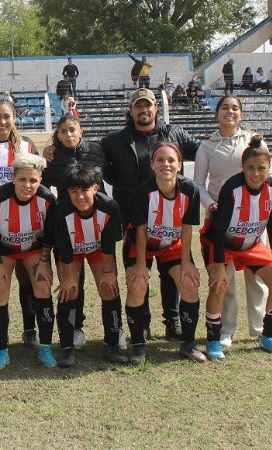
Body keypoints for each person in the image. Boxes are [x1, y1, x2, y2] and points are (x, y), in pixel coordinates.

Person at [98, 88, 200, 340]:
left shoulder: (174, 133)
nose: (143, 110)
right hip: (133, 220)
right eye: (138, 106)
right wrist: (54, 150)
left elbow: (202, 150)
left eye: (148, 105)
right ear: (131, 110)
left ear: (156, 108)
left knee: (171, 273)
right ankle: (141, 323)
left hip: (169, 219)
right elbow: (93, 158)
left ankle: (173, 321)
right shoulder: (115, 140)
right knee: (138, 274)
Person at [202, 135, 272, 360]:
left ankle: (268, 336)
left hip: (251, 245)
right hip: (221, 243)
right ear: (242, 167)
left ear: (269, 167)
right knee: (219, 284)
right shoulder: (232, 188)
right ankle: (213, 340)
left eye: (261, 168)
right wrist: (218, 266)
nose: (256, 173)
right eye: (250, 168)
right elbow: (218, 230)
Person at [193, 95, 269, 348]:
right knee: (223, 276)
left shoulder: (254, 141)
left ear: (241, 114)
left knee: (257, 275)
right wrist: (210, 205)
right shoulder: (206, 146)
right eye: (225, 107)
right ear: (217, 113)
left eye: (235, 108)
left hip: (253, 218)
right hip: (220, 219)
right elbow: (198, 184)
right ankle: (225, 330)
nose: (230, 111)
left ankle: (259, 329)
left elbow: (268, 176)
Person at [124, 143, 206, 364]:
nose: (166, 164)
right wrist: (140, 265)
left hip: (172, 244)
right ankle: (138, 346)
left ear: (179, 165)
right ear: (152, 165)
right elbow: (140, 230)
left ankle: (188, 344)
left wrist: (187, 262)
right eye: (160, 160)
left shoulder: (190, 189)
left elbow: (187, 228)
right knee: (138, 285)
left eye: (171, 160)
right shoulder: (143, 191)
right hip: (141, 245)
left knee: (189, 283)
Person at [45, 163, 127, 365]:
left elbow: (108, 244)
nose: (80, 196)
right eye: (74, 191)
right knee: (69, 290)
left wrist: (108, 272)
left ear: (96, 188)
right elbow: (64, 248)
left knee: (109, 288)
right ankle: (67, 348)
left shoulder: (110, 207)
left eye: (85, 190)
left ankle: (112, 344)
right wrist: (68, 278)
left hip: (98, 249)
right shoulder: (61, 212)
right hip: (71, 252)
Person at [0, 154, 57, 370]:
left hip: (33, 249)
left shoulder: (48, 199)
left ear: (40, 180)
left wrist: (44, 260)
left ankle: (45, 348)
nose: (27, 185)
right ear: (13, 178)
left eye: (33, 180)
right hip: (3, 250)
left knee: (43, 286)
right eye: (22, 179)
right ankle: (1, 350)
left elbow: (50, 233)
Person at [0, 98, 40, 348]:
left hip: (23, 221)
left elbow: (38, 180)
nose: (2, 121)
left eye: (7, 116)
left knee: (26, 278)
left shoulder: (27, 145)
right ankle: (0, 338)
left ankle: (29, 329)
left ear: (14, 118)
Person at [40, 115, 107, 354]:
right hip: (67, 226)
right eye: (63, 131)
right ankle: (73, 328)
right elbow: (42, 185)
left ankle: (113, 332)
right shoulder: (53, 157)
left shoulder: (97, 150)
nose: (68, 135)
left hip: (96, 223)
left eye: (72, 130)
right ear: (57, 135)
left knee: (104, 279)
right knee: (71, 281)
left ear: (81, 131)